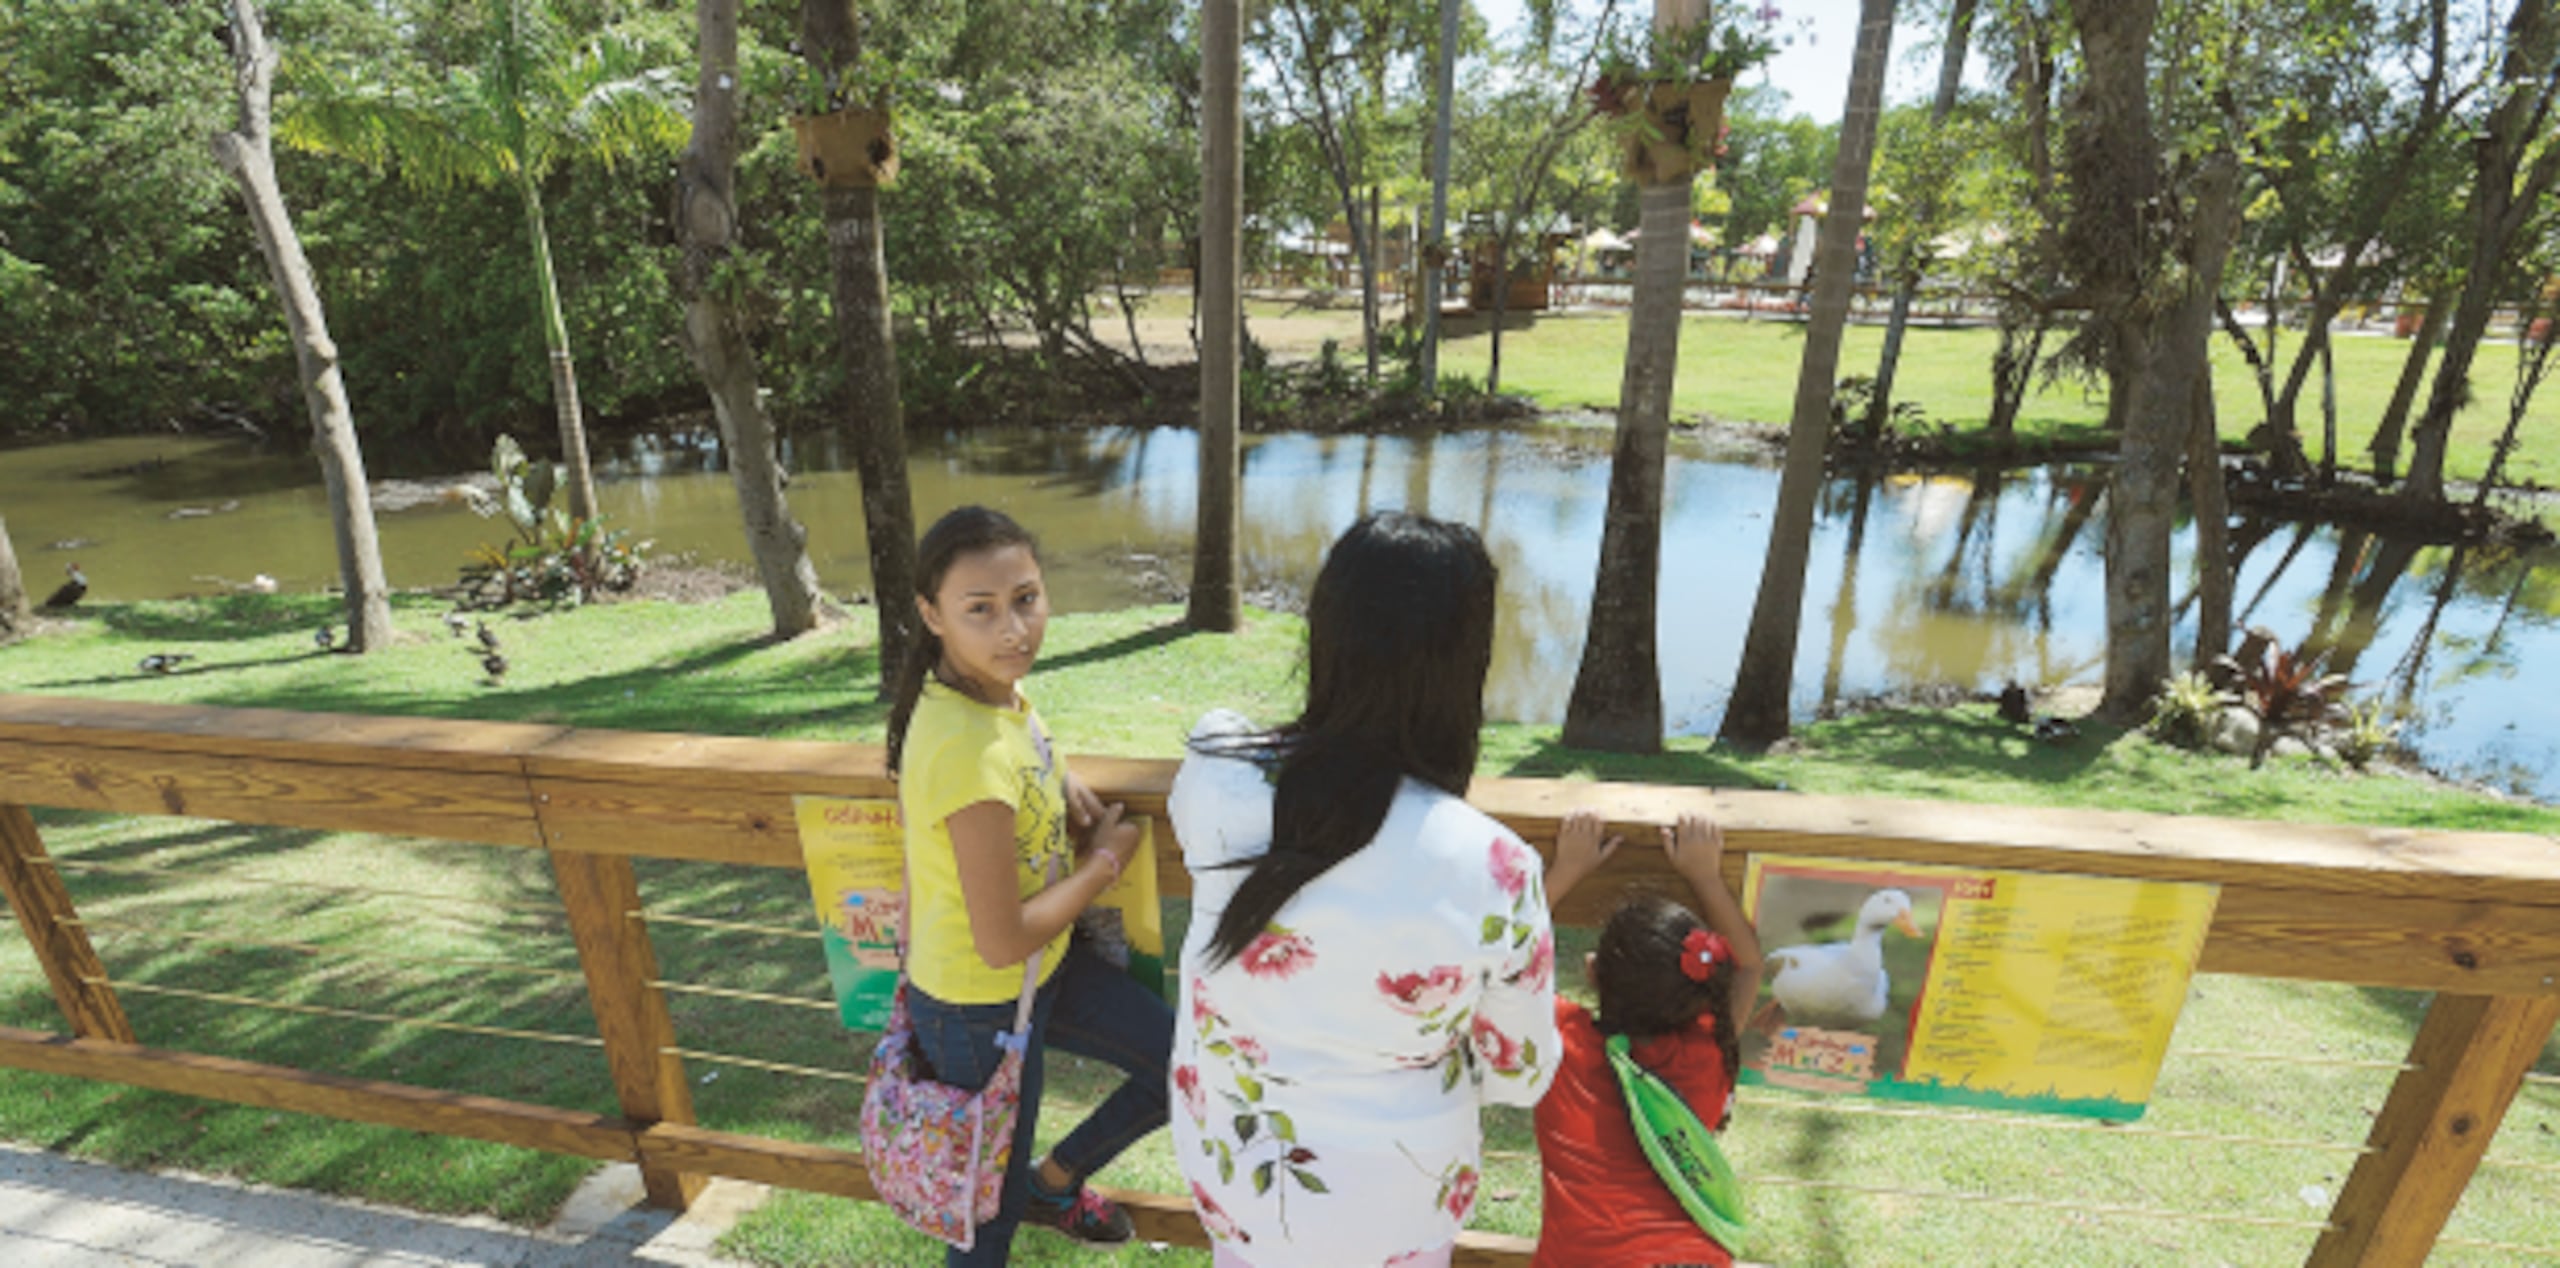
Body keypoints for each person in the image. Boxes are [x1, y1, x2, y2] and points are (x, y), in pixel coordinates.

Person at [1167, 511, 1559, 1268]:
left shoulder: (1220, 773)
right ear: (1462, 662)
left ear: (1328, 629)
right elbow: (1520, 1072)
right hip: (1392, 1210)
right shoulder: (1493, 865)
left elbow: (1239, 738)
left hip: (1235, 1180)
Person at [887, 505, 1173, 1265]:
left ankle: (1058, 1180)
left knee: (1184, 1065)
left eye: (1027, 598)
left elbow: (1008, 759)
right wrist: (1104, 862)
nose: (1014, 629)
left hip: (1035, 977)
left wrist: (1057, 780)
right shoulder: (965, 746)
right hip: (977, 1001)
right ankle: (1032, 1193)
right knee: (986, 1219)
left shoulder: (994, 696)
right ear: (931, 615)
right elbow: (1002, 934)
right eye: (979, 610)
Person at [1532, 810, 1765, 1268]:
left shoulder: (1561, 1043)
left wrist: (1566, 870)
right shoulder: (1709, 1043)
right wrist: (1705, 877)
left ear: (1593, 971)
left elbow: (1498, 955)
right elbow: (1751, 965)